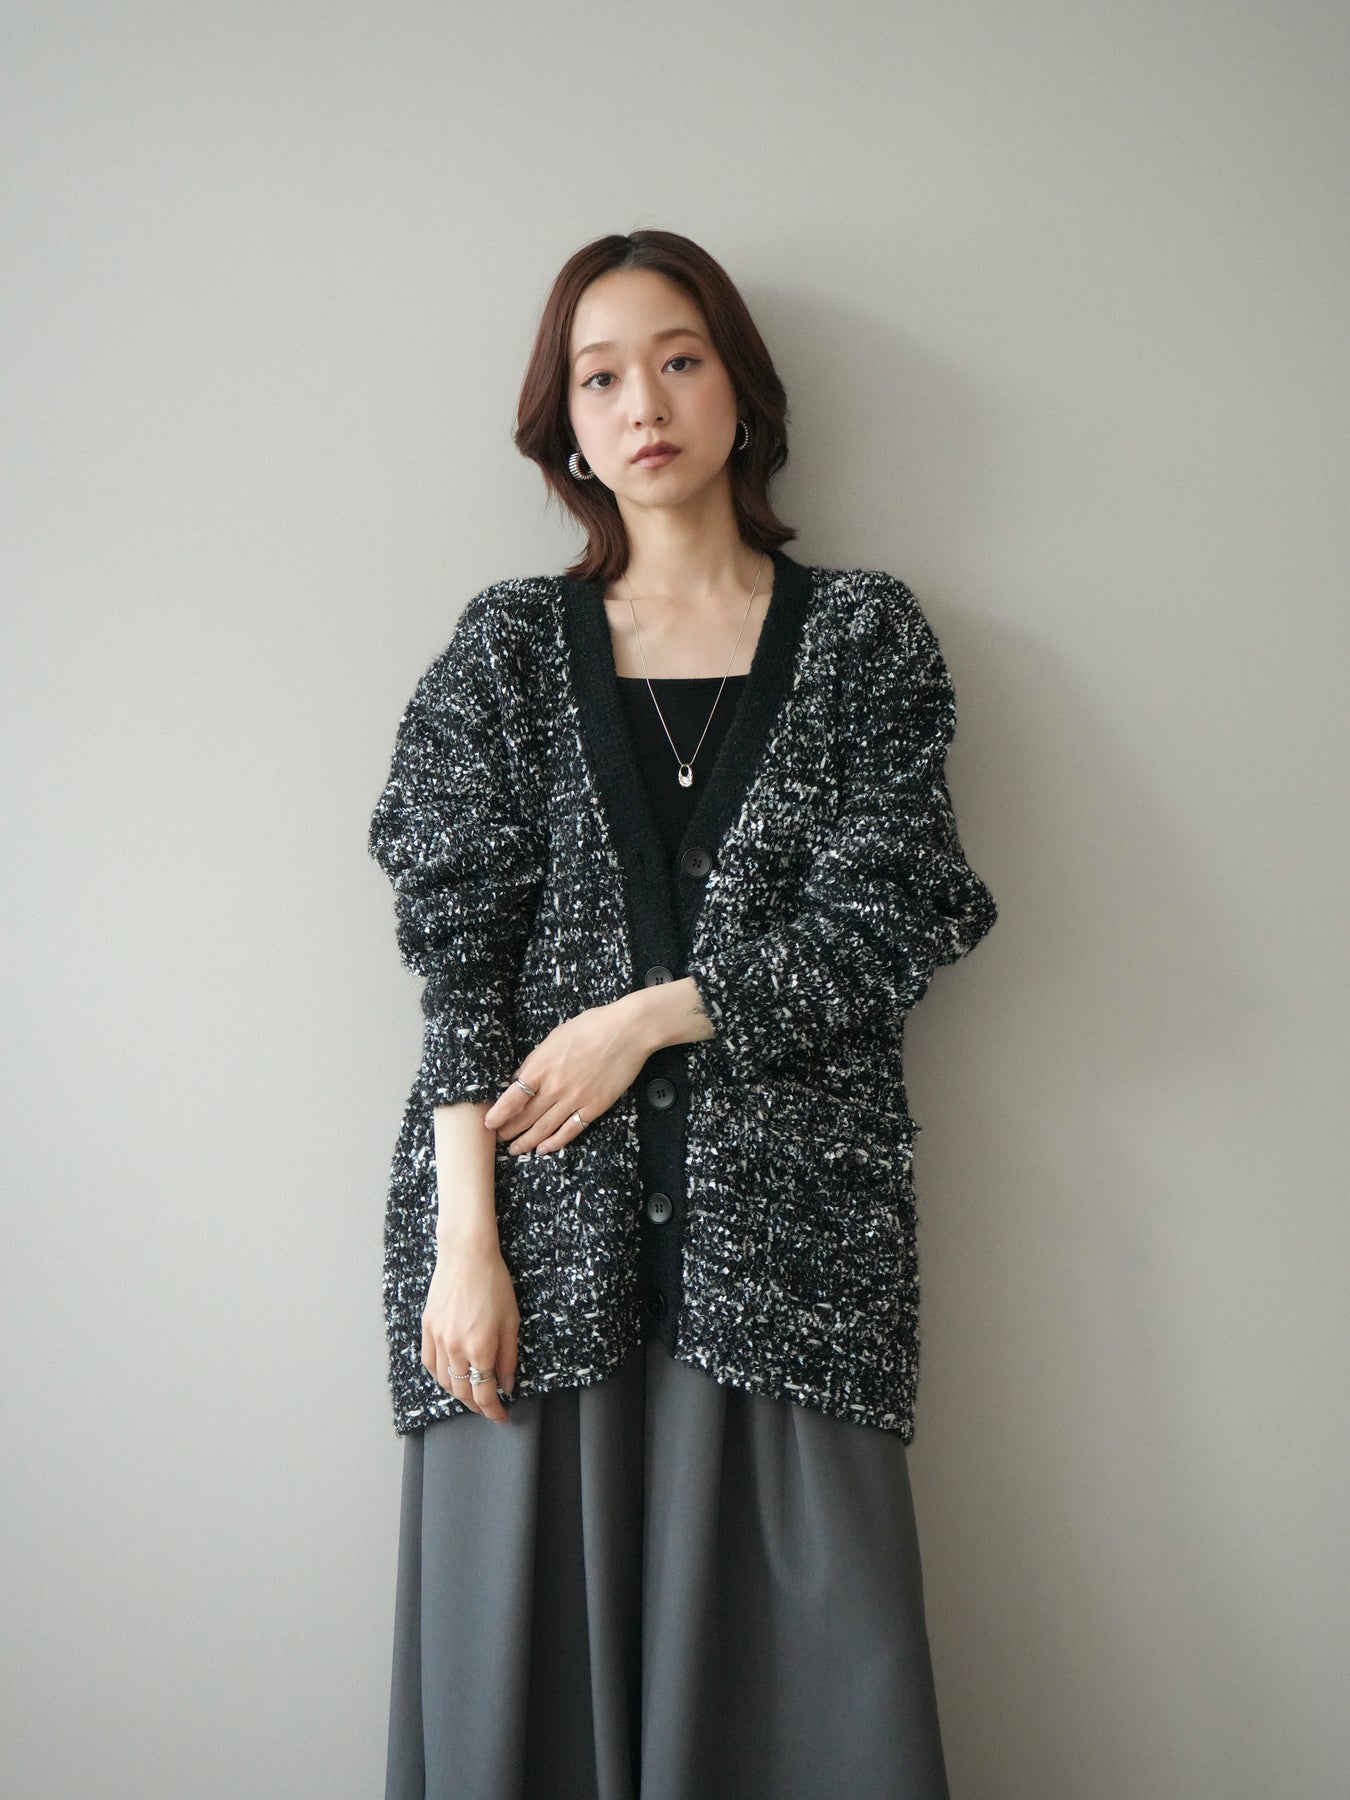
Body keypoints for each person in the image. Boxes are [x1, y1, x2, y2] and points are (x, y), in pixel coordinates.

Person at [369, 228, 998, 1800]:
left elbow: (899, 912)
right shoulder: (506, 653)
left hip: (792, 1268)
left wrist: (652, 1015)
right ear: (564, 428)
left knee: (810, 1717)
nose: (641, 402)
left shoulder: (860, 639)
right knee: (523, 1705)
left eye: (676, 358)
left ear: (740, 391)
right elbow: (458, 957)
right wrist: (465, 1246)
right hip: (535, 1260)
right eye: (598, 378)